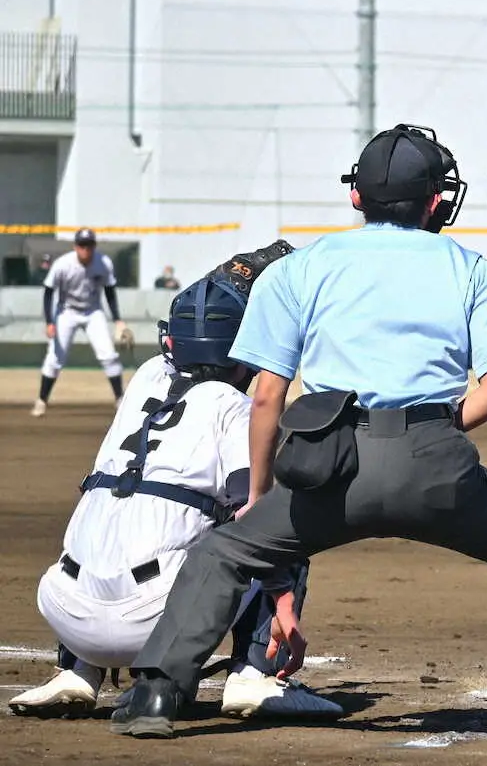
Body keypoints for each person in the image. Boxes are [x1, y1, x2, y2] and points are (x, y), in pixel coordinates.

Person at [109, 124, 487, 744]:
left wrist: (258, 493)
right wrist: (432, 430)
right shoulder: (472, 270)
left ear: (358, 197)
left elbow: (267, 394)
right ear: (437, 200)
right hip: (437, 460)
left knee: (224, 553)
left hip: (328, 465)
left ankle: (157, 694)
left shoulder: (302, 268)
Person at [10, 243, 342, 722]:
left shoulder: (145, 379)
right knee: (278, 524)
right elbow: (258, 511)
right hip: (149, 622)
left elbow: (198, 311)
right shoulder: (233, 409)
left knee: (116, 502)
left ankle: (78, 672)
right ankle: (253, 676)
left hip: (66, 609)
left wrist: (238, 271)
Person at [33, 228, 127, 417]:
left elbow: (110, 292)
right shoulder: (63, 264)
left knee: (109, 355)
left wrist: (117, 319)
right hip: (67, 312)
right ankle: (41, 400)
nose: (86, 249)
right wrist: (49, 322)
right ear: (76, 246)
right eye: (82, 245)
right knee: (55, 358)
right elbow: (48, 291)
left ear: (94, 246)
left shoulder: (103, 263)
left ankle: (120, 400)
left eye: (89, 245)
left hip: (93, 311)